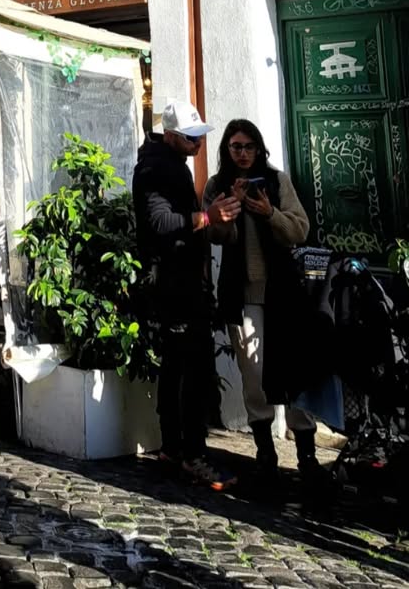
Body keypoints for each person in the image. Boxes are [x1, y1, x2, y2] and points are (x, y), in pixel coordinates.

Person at [203, 119, 321, 481]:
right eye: (235, 146)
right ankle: (265, 451)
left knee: (294, 368)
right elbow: (219, 236)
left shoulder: (277, 181)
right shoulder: (217, 186)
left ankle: (306, 455)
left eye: (248, 146)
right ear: (226, 149)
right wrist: (230, 210)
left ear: (259, 148)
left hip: (284, 290)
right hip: (244, 293)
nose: (242, 153)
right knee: (253, 372)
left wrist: (268, 213)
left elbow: (300, 229)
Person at [133, 98, 240, 489]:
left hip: (177, 282)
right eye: (192, 137)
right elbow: (160, 222)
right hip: (174, 285)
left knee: (177, 365)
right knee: (192, 368)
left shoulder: (166, 163)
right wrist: (209, 216)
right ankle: (192, 454)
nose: (198, 143)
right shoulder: (157, 168)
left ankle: (173, 449)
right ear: (173, 135)